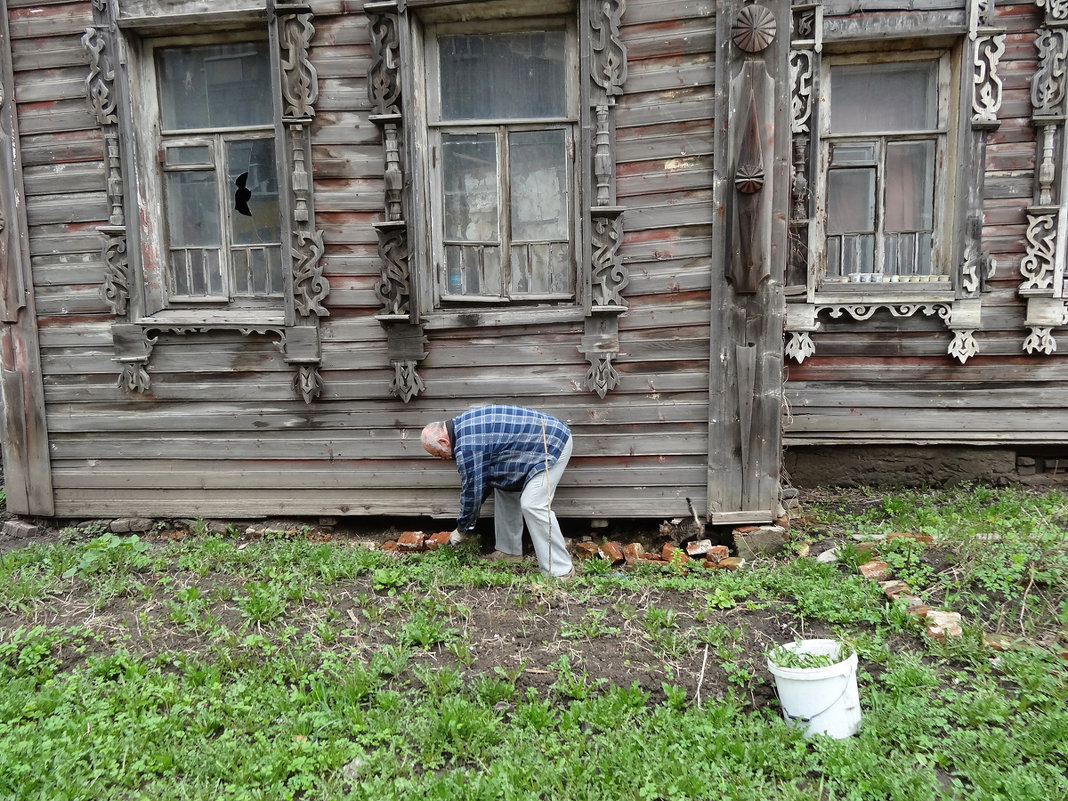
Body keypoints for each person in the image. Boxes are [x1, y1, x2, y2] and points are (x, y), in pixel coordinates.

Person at [421, 404, 574, 578]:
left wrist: (462, 530)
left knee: (533, 505)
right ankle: (509, 553)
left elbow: (473, 491)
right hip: (534, 447)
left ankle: (561, 571)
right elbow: (483, 482)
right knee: (504, 488)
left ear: (443, 441)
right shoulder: (463, 426)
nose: (442, 459)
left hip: (552, 444)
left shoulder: (468, 446)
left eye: (438, 454)